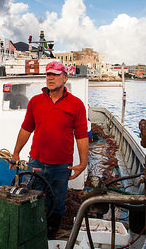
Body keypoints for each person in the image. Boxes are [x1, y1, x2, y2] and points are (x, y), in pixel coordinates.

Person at [11, 60, 88, 237]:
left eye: (55, 74)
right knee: (31, 200)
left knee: (57, 204)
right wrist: (15, 153)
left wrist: (83, 163)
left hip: (61, 166)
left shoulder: (76, 104)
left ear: (65, 77)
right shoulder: (35, 102)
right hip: (36, 162)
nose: (50, 78)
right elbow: (26, 129)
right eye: (48, 74)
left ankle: (50, 237)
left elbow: (82, 135)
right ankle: (31, 236)